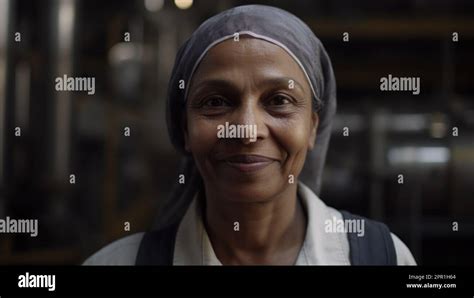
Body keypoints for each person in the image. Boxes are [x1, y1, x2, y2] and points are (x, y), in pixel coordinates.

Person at [84, 4, 416, 266]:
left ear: (313, 126)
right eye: (215, 102)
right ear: (185, 127)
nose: (246, 129)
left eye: (279, 101)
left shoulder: (381, 257)